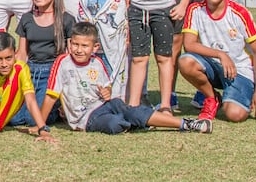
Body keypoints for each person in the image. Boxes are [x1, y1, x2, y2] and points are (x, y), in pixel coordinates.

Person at [40, 22, 212, 134]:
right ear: (70, 44)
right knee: (115, 124)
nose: (78, 50)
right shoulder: (63, 62)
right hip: (86, 117)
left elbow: (106, 87)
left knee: (132, 110)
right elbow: (51, 95)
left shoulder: (97, 62)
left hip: (106, 104)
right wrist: (42, 127)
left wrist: (107, 91)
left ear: (95, 47)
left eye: (84, 46)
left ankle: (186, 124)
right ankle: (139, 121)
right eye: (75, 44)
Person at [179, 0, 256, 122]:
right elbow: (189, 44)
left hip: (239, 72)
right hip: (214, 67)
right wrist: (221, 55)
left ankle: (237, 93)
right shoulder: (195, 10)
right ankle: (212, 97)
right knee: (185, 61)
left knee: (235, 115)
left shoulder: (240, 13)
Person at [8, 0, 75, 127]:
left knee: (32, 120)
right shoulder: (27, 19)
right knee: (13, 119)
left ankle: (56, 108)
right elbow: (22, 53)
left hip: (52, 74)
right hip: (30, 72)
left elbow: (70, 55)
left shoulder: (66, 20)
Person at [77, 0, 129, 101]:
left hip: (110, 47)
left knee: (111, 74)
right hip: (91, 47)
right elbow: (81, 19)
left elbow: (120, 21)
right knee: (92, 75)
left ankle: (114, 101)